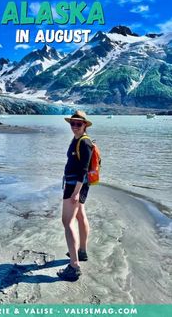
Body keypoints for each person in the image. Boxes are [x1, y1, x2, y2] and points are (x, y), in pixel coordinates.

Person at [57, 110, 93, 281]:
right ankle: (82, 251)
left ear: (85, 125)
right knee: (80, 215)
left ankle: (74, 266)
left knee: (67, 221)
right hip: (77, 185)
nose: (75, 127)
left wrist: (76, 193)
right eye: (72, 123)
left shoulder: (84, 143)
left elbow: (83, 170)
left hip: (74, 186)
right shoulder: (77, 140)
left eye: (79, 124)